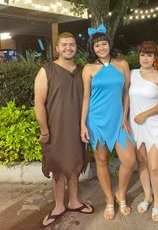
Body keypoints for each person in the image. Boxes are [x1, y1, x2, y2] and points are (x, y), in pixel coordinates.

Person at [34, 32, 94, 228]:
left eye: (72, 45)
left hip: (78, 127)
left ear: (76, 47)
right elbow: (39, 104)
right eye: (64, 45)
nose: (68, 48)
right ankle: (59, 206)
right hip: (56, 128)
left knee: (76, 164)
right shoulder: (47, 70)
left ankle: (74, 202)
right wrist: (45, 131)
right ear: (57, 48)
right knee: (58, 168)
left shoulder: (83, 70)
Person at [81, 24, 135, 220]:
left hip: (118, 121)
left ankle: (121, 193)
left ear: (109, 45)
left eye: (104, 44)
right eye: (97, 46)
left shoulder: (122, 64)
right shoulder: (88, 69)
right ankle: (109, 201)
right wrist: (82, 125)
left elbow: (126, 93)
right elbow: (86, 98)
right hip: (96, 120)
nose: (101, 48)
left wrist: (124, 117)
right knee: (101, 161)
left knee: (129, 160)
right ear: (92, 49)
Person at [129, 41, 158, 222]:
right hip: (135, 126)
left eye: (149, 55)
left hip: (152, 125)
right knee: (142, 164)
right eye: (143, 54)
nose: (145, 58)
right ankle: (147, 197)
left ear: (155, 58)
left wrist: (145, 114)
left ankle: (157, 204)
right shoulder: (131, 74)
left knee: (154, 166)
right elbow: (124, 98)